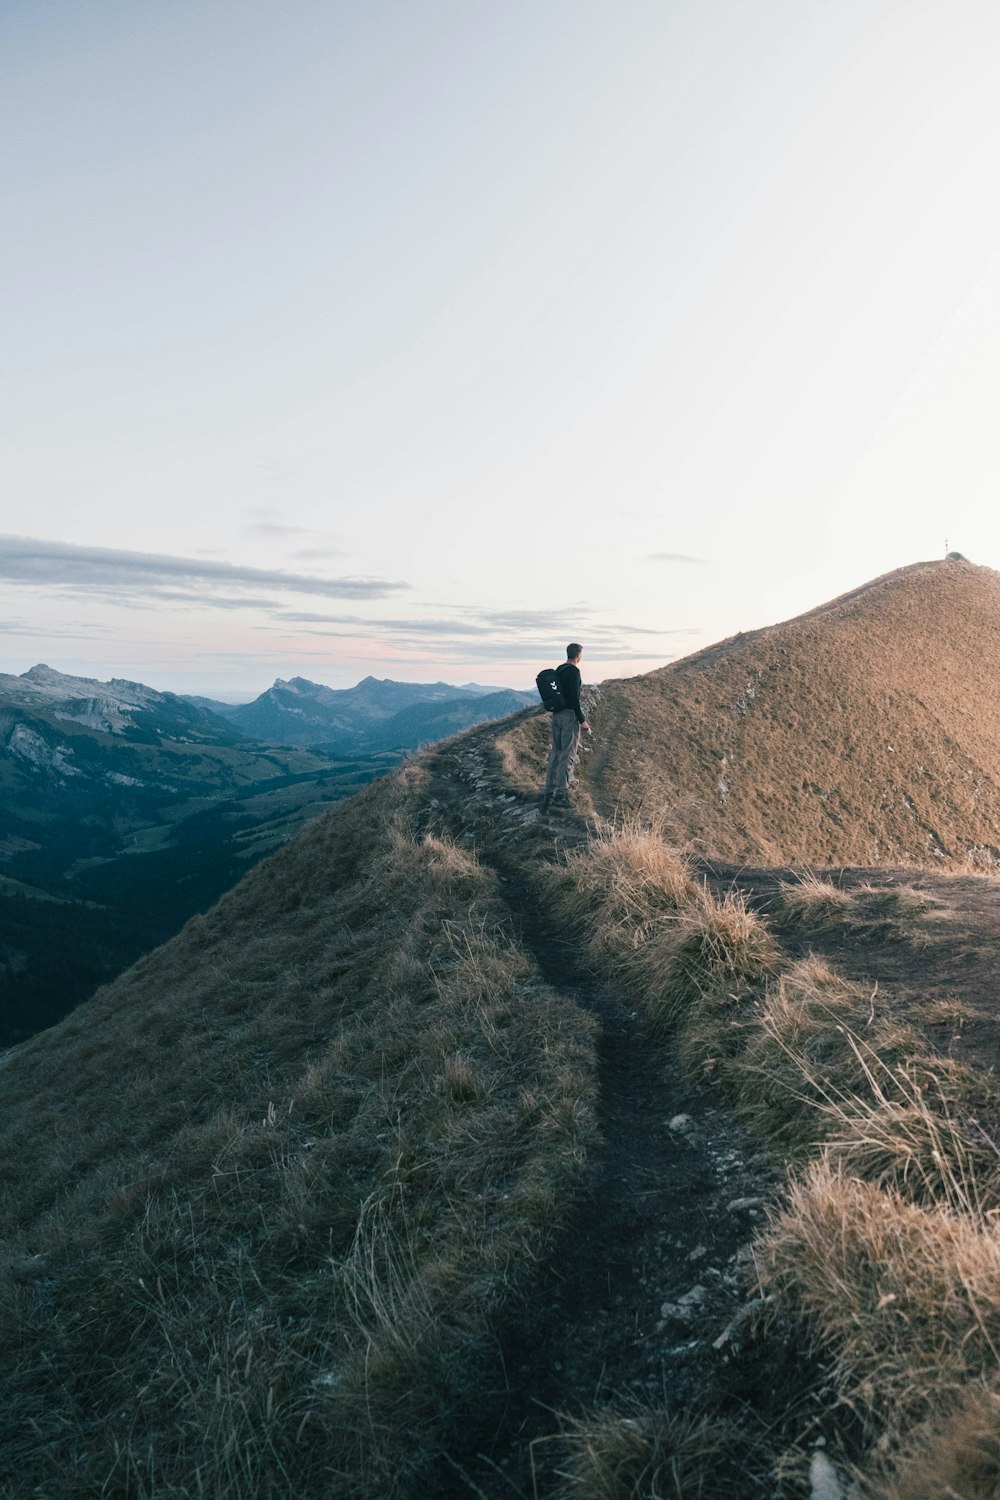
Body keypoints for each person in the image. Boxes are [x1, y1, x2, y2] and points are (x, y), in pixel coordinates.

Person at [541, 643, 591, 812]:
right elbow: (574, 699)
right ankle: (562, 795)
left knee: (555, 753)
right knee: (567, 755)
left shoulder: (560, 669)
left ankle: (548, 791)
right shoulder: (574, 671)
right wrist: (582, 720)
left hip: (556, 716)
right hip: (569, 717)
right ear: (578, 655)